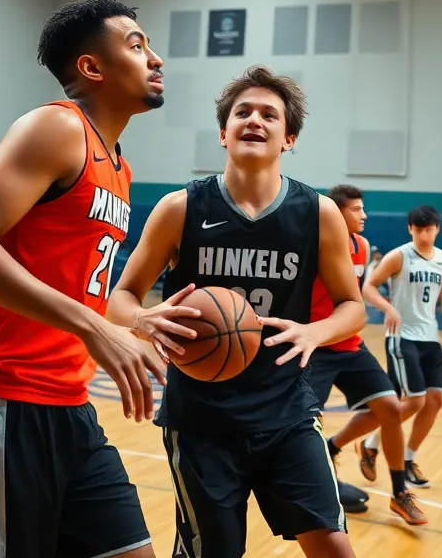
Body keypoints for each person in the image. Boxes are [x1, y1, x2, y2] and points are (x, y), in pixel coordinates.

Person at [0, 0, 167, 558]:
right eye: (136, 46)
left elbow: (76, 284)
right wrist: (92, 326)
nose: (155, 58)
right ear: (91, 67)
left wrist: (137, 320)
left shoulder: (120, 166)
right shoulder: (56, 129)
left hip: (69, 406)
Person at [108, 66, 368, 558]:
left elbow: (353, 308)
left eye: (270, 114)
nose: (255, 119)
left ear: (288, 138)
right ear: (224, 133)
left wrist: (315, 333)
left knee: (335, 549)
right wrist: (144, 320)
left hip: (287, 411)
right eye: (242, 112)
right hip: (201, 419)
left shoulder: (317, 213)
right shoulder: (180, 207)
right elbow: (120, 296)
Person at [303, 184, 426, 525]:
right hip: (317, 344)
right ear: (336, 213)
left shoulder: (361, 245)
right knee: (304, 424)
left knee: (390, 408)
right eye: (356, 209)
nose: (364, 215)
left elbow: (354, 298)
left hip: (350, 343)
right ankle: (314, 478)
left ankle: (400, 493)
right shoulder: (313, 243)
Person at [354, 206, 442, 491]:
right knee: (415, 401)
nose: (424, 235)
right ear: (410, 229)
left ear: (437, 229)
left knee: (434, 401)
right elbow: (368, 287)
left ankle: (406, 456)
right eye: (418, 229)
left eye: (429, 229)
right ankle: (371, 443)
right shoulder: (399, 255)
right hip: (401, 337)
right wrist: (388, 308)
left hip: (429, 337)